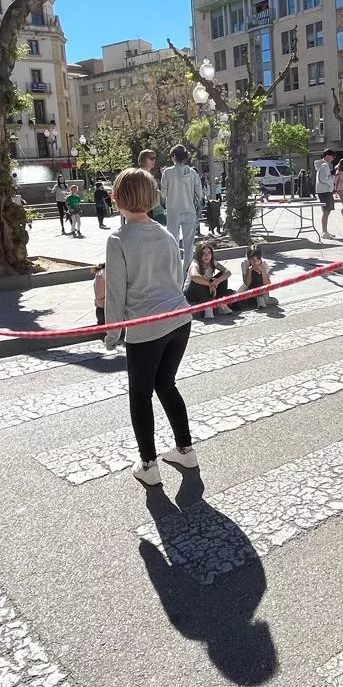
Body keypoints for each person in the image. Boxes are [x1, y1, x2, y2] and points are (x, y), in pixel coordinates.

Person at [103, 167, 197, 487]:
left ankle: (148, 464)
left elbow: (116, 292)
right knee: (166, 384)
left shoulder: (118, 239)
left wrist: (113, 333)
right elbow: (177, 276)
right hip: (180, 321)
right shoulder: (166, 234)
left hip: (147, 328)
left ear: (118, 199)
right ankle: (185, 448)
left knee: (140, 395)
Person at [160, 145, 204, 267]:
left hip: (173, 212)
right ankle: (188, 270)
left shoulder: (167, 173)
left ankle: (175, 268)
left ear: (173, 157)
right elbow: (199, 193)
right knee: (189, 243)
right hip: (189, 210)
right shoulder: (193, 173)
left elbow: (163, 194)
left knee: (173, 241)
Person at [184, 240, 234, 318]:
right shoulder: (195, 263)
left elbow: (228, 272)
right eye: (203, 254)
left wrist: (217, 281)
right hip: (192, 292)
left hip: (208, 289)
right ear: (199, 255)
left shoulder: (212, 262)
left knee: (222, 276)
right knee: (199, 280)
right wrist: (210, 284)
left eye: (208, 253)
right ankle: (208, 307)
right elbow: (194, 276)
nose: (206, 256)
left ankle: (221, 303)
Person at [234, 245, 278, 310]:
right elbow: (246, 283)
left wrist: (262, 271)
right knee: (237, 302)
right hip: (249, 288)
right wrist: (250, 270)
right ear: (249, 259)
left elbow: (267, 283)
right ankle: (258, 299)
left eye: (257, 260)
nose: (255, 262)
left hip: (262, 289)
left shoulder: (264, 265)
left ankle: (260, 298)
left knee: (257, 276)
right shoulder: (245, 264)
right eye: (252, 260)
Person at [137, 149, 166, 225]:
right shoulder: (139, 175)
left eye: (155, 158)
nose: (154, 160)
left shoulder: (149, 174)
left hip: (154, 210)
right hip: (147, 212)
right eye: (151, 158)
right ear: (143, 159)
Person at [313, 149, 337, 238]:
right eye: (332, 157)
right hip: (325, 191)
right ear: (328, 156)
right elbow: (323, 179)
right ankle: (324, 232)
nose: (332, 160)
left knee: (326, 211)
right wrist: (333, 178)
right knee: (326, 211)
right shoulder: (324, 165)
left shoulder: (322, 165)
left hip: (323, 191)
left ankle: (325, 231)